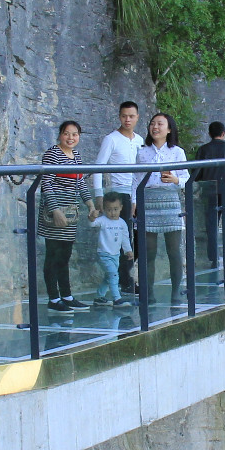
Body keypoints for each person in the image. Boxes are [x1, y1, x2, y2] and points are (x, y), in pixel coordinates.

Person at [135, 113, 187, 307]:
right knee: (148, 252)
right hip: (148, 201)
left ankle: (176, 292)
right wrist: (134, 201)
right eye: (152, 123)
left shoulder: (177, 152)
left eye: (160, 124)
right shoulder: (142, 152)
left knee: (174, 251)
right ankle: (148, 294)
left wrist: (175, 180)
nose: (155, 127)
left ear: (169, 129)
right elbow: (136, 179)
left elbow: (187, 177)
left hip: (170, 201)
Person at [92, 101, 143, 297]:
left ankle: (126, 276)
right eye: (124, 116)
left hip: (136, 193)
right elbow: (98, 167)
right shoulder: (111, 139)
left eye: (131, 116)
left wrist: (137, 198)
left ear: (137, 117)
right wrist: (99, 195)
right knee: (123, 238)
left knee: (138, 238)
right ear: (119, 117)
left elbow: (139, 173)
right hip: (119, 194)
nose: (127, 119)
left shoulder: (139, 141)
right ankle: (124, 280)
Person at [37, 121, 85, 314]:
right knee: (53, 255)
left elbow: (80, 182)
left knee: (65, 255)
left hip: (70, 214)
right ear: (60, 135)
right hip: (54, 214)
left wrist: (90, 204)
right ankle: (53, 298)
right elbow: (46, 183)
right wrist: (55, 209)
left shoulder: (77, 156)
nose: (70, 138)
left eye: (75, 134)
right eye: (67, 134)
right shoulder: (52, 154)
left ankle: (67, 296)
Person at [192, 120, 225, 261]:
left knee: (211, 227)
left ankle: (212, 257)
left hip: (210, 192)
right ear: (223, 133)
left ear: (209, 134)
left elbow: (197, 173)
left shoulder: (203, 150)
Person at [91, 196, 134, 308]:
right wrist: (92, 217)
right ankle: (117, 299)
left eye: (115, 209)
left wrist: (128, 250)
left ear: (121, 208)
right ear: (104, 209)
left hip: (115, 255)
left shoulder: (122, 223)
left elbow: (125, 238)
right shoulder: (103, 220)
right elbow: (92, 223)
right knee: (113, 275)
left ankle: (99, 297)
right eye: (109, 210)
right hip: (104, 254)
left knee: (108, 276)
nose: (112, 212)